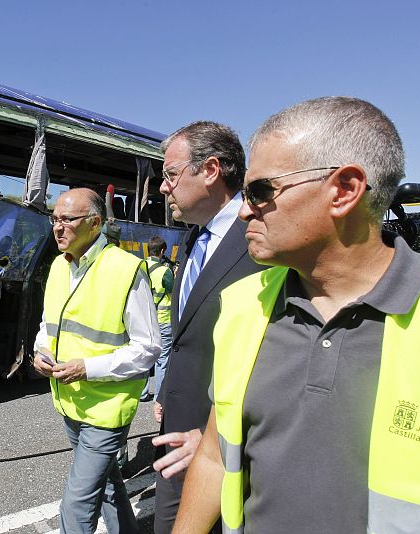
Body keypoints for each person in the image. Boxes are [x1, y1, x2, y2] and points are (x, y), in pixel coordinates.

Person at [175, 96, 420, 533]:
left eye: (260, 191)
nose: (245, 210)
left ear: (345, 190)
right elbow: (214, 458)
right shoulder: (243, 304)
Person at [150, 122, 264, 534]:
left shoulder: (261, 240)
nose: (163, 188)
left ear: (211, 170)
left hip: (222, 447)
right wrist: (167, 392)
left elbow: (274, 351)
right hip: (177, 435)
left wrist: (218, 439)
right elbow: (185, 337)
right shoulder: (193, 240)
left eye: (170, 174)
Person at [33, 188, 161, 534]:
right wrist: (39, 352)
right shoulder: (60, 266)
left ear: (95, 223)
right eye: (54, 219)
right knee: (106, 486)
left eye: (67, 220)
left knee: (76, 503)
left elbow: (148, 348)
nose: (58, 228)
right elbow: (49, 325)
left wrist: (87, 368)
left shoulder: (125, 269)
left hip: (106, 408)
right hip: (70, 402)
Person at [140, 236, 174, 405]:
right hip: (162, 320)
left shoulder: (138, 267)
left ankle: (142, 392)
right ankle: (159, 395)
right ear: (162, 251)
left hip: (143, 320)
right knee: (162, 359)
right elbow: (172, 292)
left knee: (144, 355)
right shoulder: (164, 271)